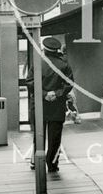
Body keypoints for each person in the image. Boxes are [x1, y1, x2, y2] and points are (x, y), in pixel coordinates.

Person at [27, 36, 74, 173]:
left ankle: (36, 161)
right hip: (57, 106)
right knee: (55, 138)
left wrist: (44, 94)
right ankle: (52, 163)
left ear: (45, 49)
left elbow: (30, 82)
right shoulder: (64, 65)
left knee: (39, 135)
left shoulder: (37, 63)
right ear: (56, 50)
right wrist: (57, 93)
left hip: (39, 105)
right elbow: (69, 84)